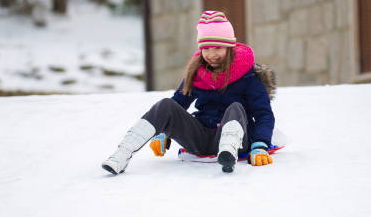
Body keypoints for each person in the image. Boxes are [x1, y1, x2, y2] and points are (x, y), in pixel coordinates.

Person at [102, 10, 276, 175]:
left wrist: (260, 146)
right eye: (206, 48)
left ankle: (227, 155)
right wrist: (163, 132)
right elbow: (177, 104)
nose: (211, 54)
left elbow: (263, 114)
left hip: (237, 140)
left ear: (229, 47)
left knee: (236, 107)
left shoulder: (248, 76)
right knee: (166, 105)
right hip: (200, 139)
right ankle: (121, 154)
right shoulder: (198, 73)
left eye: (217, 48)